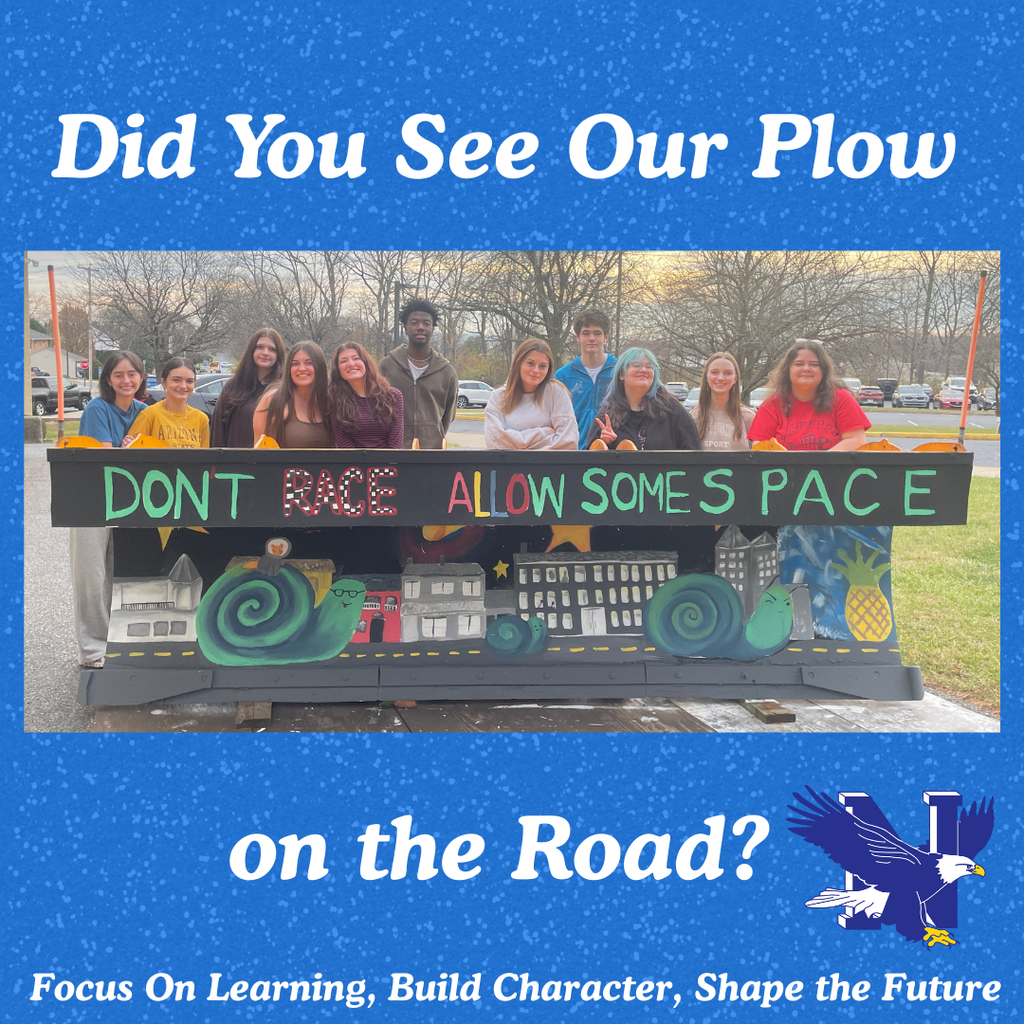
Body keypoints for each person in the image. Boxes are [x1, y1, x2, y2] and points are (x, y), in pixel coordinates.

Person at [70, 350, 148, 668]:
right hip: (91, 499)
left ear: (142, 377)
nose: (126, 380)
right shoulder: (97, 409)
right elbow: (105, 456)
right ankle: (91, 650)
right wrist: (129, 450)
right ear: (108, 379)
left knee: (121, 573)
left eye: (132, 374)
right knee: (91, 574)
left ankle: (117, 641)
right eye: (118, 374)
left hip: (129, 502)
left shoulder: (146, 410)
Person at [747, 340, 870, 450]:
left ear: (824, 370)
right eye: (799, 364)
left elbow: (856, 440)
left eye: (814, 364)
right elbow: (760, 448)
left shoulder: (842, 399)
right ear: (788, 370)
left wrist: (817, 464)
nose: (806, 369)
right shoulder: (772, 405)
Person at [378, 298, 458, 449]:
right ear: (406, 328)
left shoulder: (447, 372)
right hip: (394, 452)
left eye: (426, 323)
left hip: (432, 453)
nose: (420, 327)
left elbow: (448, 416)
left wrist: (433, 435)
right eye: (414, 322)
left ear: (433, 329)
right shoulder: (386, 366)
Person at [585, 347, 701, 450]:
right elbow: (588, 467)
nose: (644, 370)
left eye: (649, 366)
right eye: (636, 365)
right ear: (622, 374)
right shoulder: (607, 417)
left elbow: (693, 455)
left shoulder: (673, 410)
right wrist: (608, 445)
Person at [484, 339, 579, 450]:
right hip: (509, 467)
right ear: (518, 363)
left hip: (547, 467)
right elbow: (495, 442)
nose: (536, 370)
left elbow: (568, 442)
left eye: (542, 366)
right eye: (530, 363)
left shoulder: (556, 392)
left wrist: (519, 448)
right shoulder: (498, 398)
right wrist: (543, 433)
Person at [210, 328, 285, 447]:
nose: (265, 352)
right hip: (236, 462)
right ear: (251, 351)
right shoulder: (233, 386)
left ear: (278, 354)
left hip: (273, 463)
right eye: (259, 347)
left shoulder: (284, 389)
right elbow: (218, 432)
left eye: (272, 349)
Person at [554, 309, 617, 449]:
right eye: (586, 333)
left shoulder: (620, 372)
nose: (592, 338)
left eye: (597, 333)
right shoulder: (562, 376)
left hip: (612, 454)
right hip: (575, 454)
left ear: (606, 337)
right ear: (577, 337)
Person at [252, 341, 333, 448]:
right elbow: (258, 455)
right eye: (295, 364)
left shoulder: (329, 401)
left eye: (309, 363)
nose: (302, 368)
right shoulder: (272, 400)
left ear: (320, 367)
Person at [328, 342, 404, 448]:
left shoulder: (393, 396)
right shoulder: (334, 400)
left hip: (390, 462)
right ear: (338, 370)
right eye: (343, 361)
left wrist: (388, 464)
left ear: (365, 362)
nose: (351, 364)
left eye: (356, 358)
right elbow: (344, 444)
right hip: (352, 463)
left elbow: (395, 444)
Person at [128, 358, 210, 448]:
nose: (183, 386)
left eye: (189, 381)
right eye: (176, 380)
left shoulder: (201, 419)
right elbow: (132, 454)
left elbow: (204, 458)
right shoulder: (149, 415)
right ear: (163, 383)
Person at [690, 351, 755, 451]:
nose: (720, 378)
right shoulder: (693, 417)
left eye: (728, 373)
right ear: (706, 377)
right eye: (714, 372)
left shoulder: (749, 418)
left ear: (735, 379)